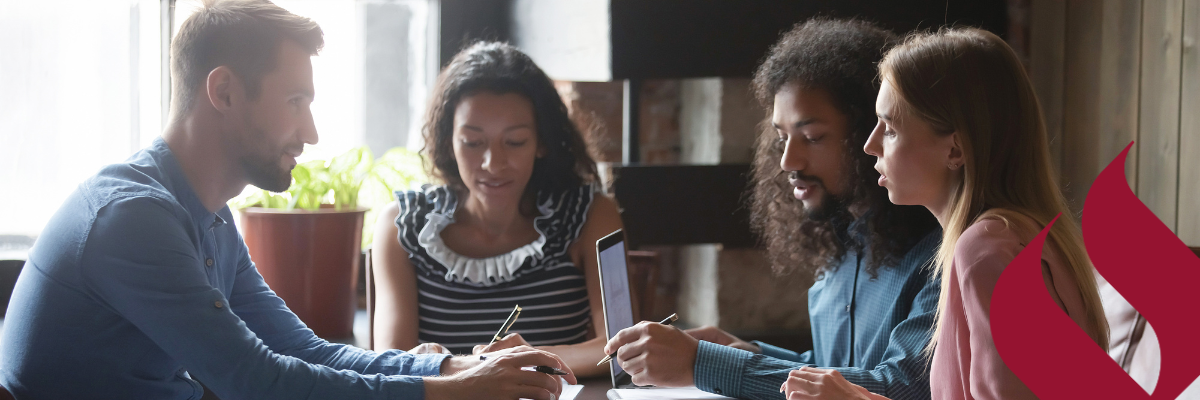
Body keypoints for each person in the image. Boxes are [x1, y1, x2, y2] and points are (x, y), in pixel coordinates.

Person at [0, 1, 574, 399]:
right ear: (223, 91)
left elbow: (305, 350)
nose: (312, 132)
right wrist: (454, 391)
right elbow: (258, 382)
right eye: (296, 101)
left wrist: (459, 365)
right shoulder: (131, 220)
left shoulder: (209, 220)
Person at [601, 18, 942, 400]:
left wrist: (702, 362)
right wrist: (748, 353)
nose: (787, 160)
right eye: (781, 138)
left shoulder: (940, 257)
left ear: (873, 131)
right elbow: (836, 368)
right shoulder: (841, 248)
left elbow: (898, 388)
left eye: (812, 137)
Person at [781, 27, 1110, 400]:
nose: (870, 145)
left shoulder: (986, 250)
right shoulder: (1020, 235)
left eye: (889, 129)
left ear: (955, 149)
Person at [371, 41, 623, 377]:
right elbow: (391, 365)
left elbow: (621, 349)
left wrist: (515, 358)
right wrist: (496, 366)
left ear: (542, 142)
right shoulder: (402, 226)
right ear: (448, 141)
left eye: (515, 141)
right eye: (473, 142)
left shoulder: (591, 216)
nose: (493, 163)